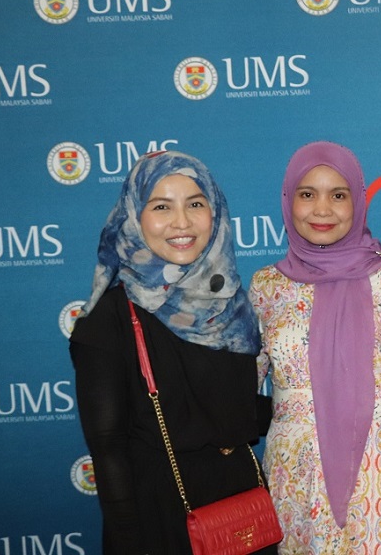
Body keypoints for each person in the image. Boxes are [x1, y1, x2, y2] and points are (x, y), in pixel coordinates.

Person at [69, 150, 276, 555]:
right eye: (162, 206)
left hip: (241, 512)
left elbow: (237, 413)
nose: (182, 222)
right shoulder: (109, 320)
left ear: (215, 212)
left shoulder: (230, 307)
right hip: (161, 518)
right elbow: (109, 452)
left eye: (195, 204)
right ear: (134, 216)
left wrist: (313, 405)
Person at [248, 141, 381, 554]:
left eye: (338, 195)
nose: (322, 209)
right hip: (295, 482)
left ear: (357, 201)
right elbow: (240, 386)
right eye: (308, 194)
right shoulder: (267, 286)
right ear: (289, 201)